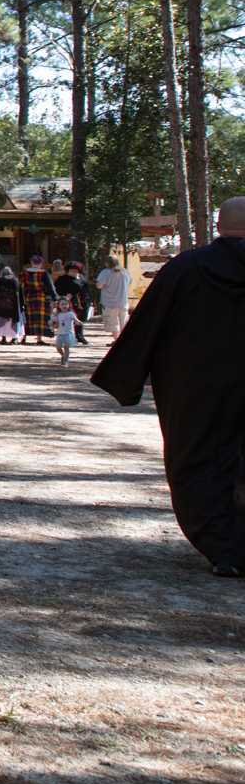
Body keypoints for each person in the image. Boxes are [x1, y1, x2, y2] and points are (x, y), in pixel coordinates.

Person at [92, 197, 245, 578]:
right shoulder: (185, 267)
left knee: (197, 460)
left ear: (218, 226)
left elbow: (148, 323)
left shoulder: (186, 268)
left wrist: (126, 378)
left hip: (195, 387)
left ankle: (223, 548)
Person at [21, 254, 56, 344]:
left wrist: (22, 297)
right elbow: (50, 286)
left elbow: (22, 286)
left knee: (28, 317)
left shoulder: (25, 273)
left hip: (29, 297)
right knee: (40, 318)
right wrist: (54, 297)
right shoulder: (44, 273)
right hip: (41, 297)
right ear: (41, 263)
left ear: (31, 263)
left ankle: (24, 337)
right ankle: (39, 339)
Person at [95, 256, 132, 340]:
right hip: (123, 302)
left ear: (107, 263)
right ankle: (124, 341)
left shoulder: (105, 272)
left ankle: (116, 341)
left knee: (113, 323)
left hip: (109, 302)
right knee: (123, 322)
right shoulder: (125, 271)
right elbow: (130, 282)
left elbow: (99, 286)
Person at [0, 264, 25, 344]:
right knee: (13, 323)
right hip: (13, 308)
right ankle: (14, 339)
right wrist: (22, 305)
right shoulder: (15, 281)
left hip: (1, 308)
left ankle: (3, 338)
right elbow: (21, 295)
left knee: (3, 324)